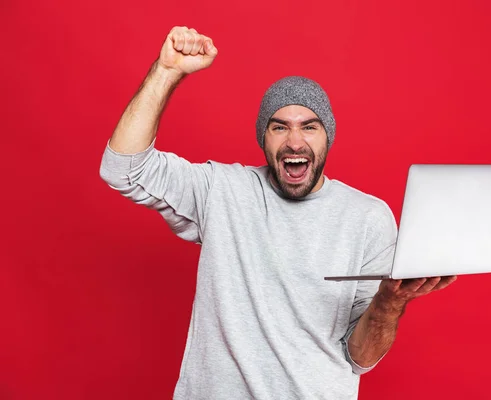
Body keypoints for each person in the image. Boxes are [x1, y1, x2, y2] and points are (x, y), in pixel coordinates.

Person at [99, 26, 457, 400]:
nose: (295, 141)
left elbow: (360, 358)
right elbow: (122, 168)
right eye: (279, 127)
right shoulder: (222, 191)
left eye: (310, 127)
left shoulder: (368, 218)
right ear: (263, 138)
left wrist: (390, 301)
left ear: (326, 137)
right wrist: (166, 71)